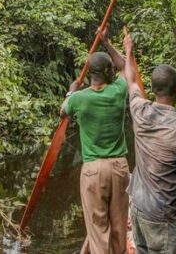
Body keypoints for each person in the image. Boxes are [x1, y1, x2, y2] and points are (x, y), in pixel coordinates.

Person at [100, 31, 176, 254]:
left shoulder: (139, 110)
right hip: (162, 215)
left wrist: (114, 46)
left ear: (155, 90)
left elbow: (129, 76)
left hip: (137, 207)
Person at [61, 40, 130, 254]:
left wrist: (71, 92)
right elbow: (126, 67)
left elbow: (62, 111)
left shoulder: (79, 99)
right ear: (108, 71)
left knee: (98, 230)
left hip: (93, 170)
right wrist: (108, 42)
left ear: (90, 74)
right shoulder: (118, 91)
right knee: (119, 228)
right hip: (119, 167)